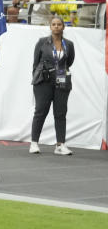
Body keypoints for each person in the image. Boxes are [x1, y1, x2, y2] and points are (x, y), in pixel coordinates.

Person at [29, 16, 75, 155]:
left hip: (61, 75)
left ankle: (60, 145)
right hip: (44, 78)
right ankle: (34, 143)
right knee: (41, 111)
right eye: (53, 24)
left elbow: (70, 61)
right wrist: (37, 77)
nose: (56, 26)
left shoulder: (69, 44)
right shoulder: (42, 42)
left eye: (59, 24)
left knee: (60, 112)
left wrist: (59, 71)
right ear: (50, 27)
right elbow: (35, 62)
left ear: (63, 27)